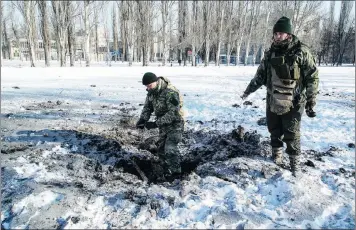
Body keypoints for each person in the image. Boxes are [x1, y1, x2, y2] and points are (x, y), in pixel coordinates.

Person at [241, 16, 319, 177]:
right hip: (273, 98)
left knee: (291, 132)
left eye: (281, 33)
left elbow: (312, 76)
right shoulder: (270, 53)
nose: (277, 36)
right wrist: (248, 91)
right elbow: (260, 75)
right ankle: (276, 156)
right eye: (276, 33)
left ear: (288, 34)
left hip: (295, 100)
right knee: (274, 129)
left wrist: (311, 99)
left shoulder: (301, 51)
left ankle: (294, 163)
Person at [136, 72, 185, 182]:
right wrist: (143, 119)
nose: (148, 88)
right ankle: (166, 172)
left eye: (149, 85)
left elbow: (173, 114)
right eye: (146, 86)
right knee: (161, 150)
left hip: (175, 124)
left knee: (170, 148)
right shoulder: (151, 93)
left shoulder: (170, 92)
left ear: (156, 81)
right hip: (163, 126)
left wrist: (155, 123)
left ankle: (176, 174)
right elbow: (147, 107)